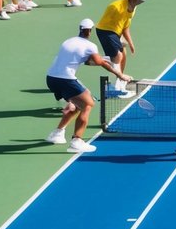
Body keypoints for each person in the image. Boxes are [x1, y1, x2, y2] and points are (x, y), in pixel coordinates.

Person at [45, 18, 132, 154]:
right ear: (90, 31)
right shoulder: (90, 46)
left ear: (80, 28)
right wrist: (121, 75)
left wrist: (101, 59)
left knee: (76, 105)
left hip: (51, 78)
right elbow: (100, 63)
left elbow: (82, 60)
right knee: (88, 104)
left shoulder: (68, 41)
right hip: (66, 79)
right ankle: (77, 141)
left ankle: (57, 133)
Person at [97, 0, 148, 98]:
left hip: (116, 31)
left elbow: (125, 26)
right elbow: (108, 25)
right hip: (105, 30)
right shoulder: (115, 7)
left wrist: (130, 43)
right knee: (117, 56)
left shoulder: (133, 8)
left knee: (123, 53)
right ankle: (114, 87)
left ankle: (119, 81)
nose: (142, 1)